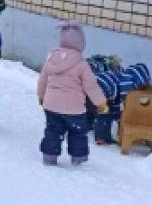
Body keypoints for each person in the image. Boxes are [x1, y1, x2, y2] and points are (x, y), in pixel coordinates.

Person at [37, 22, 107, 167]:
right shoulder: (81, 64)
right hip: (73, 109)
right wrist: (100, 102)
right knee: (77, 133)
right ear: (81, 43)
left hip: (51, 105)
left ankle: (49, 157)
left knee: (53, 131)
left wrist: (41, 95)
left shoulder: (51, 58)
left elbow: (43, 79)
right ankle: (78, 158)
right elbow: (91, 86)